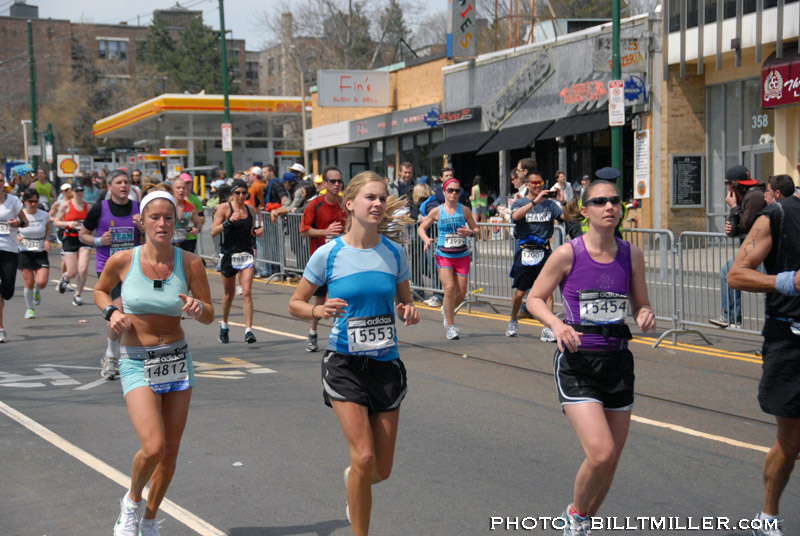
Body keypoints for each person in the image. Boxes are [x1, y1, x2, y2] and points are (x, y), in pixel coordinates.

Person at [288, 171, 419, 536]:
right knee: (363, 456)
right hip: (344, 362)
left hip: (386, 364)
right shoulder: (329, 255)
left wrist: (408, 310)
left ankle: (354, 481)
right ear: (350, 204)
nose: (377, 204)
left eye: (381, 198)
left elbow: (406, 302)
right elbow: (295, 303)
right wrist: (318, 311)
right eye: (370, 198)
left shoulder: (394, 253)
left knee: (380, 469)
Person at [527, 179, 656, 536]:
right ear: (585, 210)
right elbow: (534, 298)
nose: (610, 207)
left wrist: (645, 313)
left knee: (610, 461)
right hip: (578, 362)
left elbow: (641, 302)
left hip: (617, 361)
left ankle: (582, 523)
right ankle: (575, 515)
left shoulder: (631, 254)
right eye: (600, 202)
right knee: (600, 453)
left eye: (615, 201)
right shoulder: (569, 253)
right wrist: (555, 324)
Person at [93, 191, 213, 536]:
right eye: (155, 217)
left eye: (169, 218)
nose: (162, 224)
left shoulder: (189, 262)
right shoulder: (123, 260)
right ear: (141, 221)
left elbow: (209, 314)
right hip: (136, 360)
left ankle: (148, 519)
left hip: (176, 358)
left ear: (177, 222)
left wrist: (196, 308)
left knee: (170, 454)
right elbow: (100, 291)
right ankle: (130, 504)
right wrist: (112, 311)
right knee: (153, 446)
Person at [728, 183, 800, 536]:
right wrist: (788, 282)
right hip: (791, 342)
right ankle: (768, 516)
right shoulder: (779, 215)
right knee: (790, 442)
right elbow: (737, 273)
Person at [80, 169, 142, 379]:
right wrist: (98, 241)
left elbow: (148, 239)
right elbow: (83, 234)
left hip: (133, 267)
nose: (124, 186)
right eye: (118, 182)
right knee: (118, 308)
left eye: (126, 182)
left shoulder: (137, 208)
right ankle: (112, 356)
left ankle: (126, 353)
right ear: (109, 187)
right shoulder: (100, 208)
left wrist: (142, 229)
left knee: (132, 312)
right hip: (108, 267)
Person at [505, 170, 564, 340]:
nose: (538, 185)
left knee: (548, 291)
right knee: (520, 293)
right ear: (527, 185)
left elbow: (566, 217)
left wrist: (563, 202)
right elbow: (515, 216)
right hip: (526, 251)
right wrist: (534, 202)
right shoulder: (521, 202)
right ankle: (513, 319)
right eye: (534, 183)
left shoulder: (550, 204)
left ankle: (548, 327)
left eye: (540, 182)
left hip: (544, 251)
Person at [417, 177, 478, 340]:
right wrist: (426, 239)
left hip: (462, 254)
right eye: (450, 190)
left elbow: (476, 229)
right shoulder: (437, 211)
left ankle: (447, 309)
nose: (453, 193)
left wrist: (470, 232)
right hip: (444, 254)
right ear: (444, 192)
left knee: (462, 292)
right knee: (449, 288)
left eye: (457, 191)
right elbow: (421, 228)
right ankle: (451, 326)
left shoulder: (464, 210)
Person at [710, 165, 766, 328]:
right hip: (751, 250)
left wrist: (733, 207)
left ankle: (774, 331)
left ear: (733, 184)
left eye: (727, 183)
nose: (726, 187)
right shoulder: (745, 198)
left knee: (770, 289)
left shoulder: (754, 197)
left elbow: (747, 225)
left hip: (762, 250)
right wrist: (731, 225)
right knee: (727, 271)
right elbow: (735, 228)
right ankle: (731, 317)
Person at [298, 165, 347, 352]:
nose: (336, 184)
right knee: (320, 301)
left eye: (339, 181)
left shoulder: (346, 204)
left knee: (343, 299)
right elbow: (304, 230)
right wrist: (325, 231)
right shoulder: (315, 204)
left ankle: (341, 336)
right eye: (332, 181)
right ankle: (313, 332)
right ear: (325, 184)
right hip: (321, 262)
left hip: (343, 261)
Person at [210, 179, 263, 344]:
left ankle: (248, 331)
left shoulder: (250, 209)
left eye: (243, 193)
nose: (241, 196)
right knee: (229, 295)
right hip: (229, 254)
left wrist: (256, 231)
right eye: (237, 193)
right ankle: (224, 325)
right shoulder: (225, 208)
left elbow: (250, 229)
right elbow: (213, 231)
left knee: (246, 292)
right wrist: (228, 222)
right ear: (232, 194)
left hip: (246, 254)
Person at [0, 173, 29, 342]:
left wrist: (17, 224)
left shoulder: (13, 201)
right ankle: (1, 328)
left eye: (1, 181)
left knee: (8, 291)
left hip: (9, 249)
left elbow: (25, 222)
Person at [54, 183, 91, 306]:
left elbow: (92, 223)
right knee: (73, 271)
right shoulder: (66, 205)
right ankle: (65, 278)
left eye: (81, 190)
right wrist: (68, 224)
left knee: (83, 268)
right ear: (73, 192)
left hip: (83, 239)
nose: (79, 193)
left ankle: (77, 295)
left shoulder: (88, 207)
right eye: (77, 191)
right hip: (70, 239)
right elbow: (56, 222)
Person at [17, 188, 52, 319]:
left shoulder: (44, 215)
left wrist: (47, 240)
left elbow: (47, 230)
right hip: (24, 251)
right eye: (30, 201)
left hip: (40, 251)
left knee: (41, 282)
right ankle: (30, 308)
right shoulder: (19, 215)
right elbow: (12, 229)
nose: (33, 204)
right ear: (25, 201)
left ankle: (37, 290)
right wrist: (16, 237)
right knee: (29, 282)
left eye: (35, 201)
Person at [170, 177, 203, 252]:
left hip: (186, 243)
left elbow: (198, 223)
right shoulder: (167, 205)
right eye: (178, 188)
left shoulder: (190, 206)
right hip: (168, 243)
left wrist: (197, 229)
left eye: (183, 188)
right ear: (172, 189)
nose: (181, 190)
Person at [470, 175, 489, 240]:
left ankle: (476, 237)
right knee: (484, 222)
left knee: (475, 222)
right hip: (483, 205)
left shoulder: (474, 188)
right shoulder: (484, 188)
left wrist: (469, 198)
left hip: (476, 205)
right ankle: (485, 237)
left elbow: (473, 197)